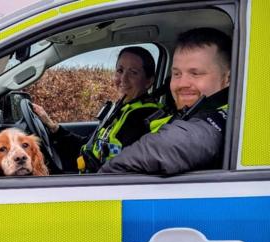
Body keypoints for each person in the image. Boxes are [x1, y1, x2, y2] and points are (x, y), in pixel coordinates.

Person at [99, 27, 231, 174]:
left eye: (195, 73)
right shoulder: (189, 113)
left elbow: (184, 141)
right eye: (176, 73)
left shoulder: (222, 120)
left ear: (228, 79)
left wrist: (99, 183)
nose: (182, 84)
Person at [33, 46, 161, 172]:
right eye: (120, 71)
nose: (123, 79)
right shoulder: (121, 109)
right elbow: (89, 145)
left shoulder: (144, 118)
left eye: (133, 72)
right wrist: (53, 127)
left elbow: (126, 171)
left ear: (149, 81)